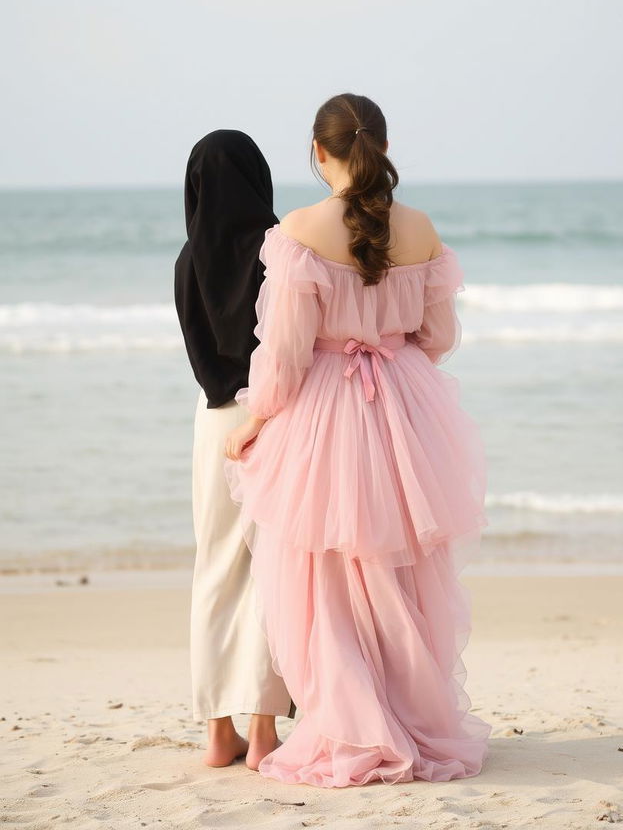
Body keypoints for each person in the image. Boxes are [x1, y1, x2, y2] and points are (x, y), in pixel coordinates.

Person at [223, 94, 491, 787]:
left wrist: (253, 422)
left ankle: (350, 722)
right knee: (403, 571)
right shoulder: (422, 228)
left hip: (325, 408)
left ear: (319, 152)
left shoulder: (301, 230)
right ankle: (411, 715)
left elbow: (280, 356)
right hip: (401, 403)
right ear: (383, 145)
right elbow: (437, 340)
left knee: (328, 575)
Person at [174, 129, 295, 771]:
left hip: (211, 421)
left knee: (214, 568)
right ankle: (264, 731)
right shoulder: (278, 250)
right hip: (271, 416)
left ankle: (218, 734)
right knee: (273, 570)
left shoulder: (186, 260)